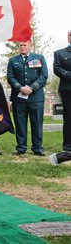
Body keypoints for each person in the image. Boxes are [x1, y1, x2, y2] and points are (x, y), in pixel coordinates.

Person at [7, 40, 48, 156]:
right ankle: (21, 148)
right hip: (19, 98)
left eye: (25, 45)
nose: (22, 47)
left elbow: (43, 75)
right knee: (20, 124)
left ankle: (37, 148)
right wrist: (20, 88)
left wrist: (32, 88)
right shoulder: (13, 60)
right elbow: (10, 77)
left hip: (36, 98)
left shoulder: (39, 58)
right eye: (21, 45)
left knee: (37, 123)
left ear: (30, 46)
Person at [51, 29, 71, 162]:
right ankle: (68, 147)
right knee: (69, 119)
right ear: (68, 37)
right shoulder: (60, 53)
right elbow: (57, 69)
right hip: (67, 91)